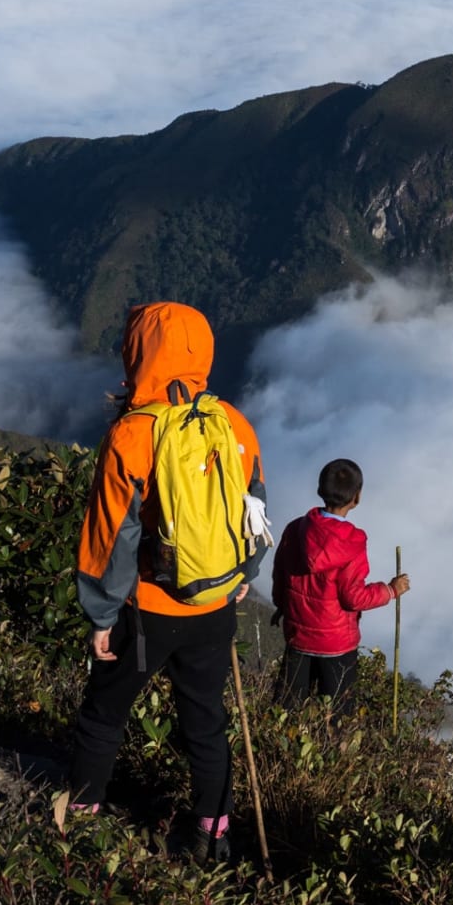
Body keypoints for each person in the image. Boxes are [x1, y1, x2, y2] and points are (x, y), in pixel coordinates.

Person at [60, 302, 271, 860]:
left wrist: (102, 616)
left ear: (137, 352)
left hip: (147, 609)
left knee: (105, 713)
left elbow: (111, 538)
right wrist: (242, 576)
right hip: (216, 605)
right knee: (206, 719)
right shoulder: (233, 423)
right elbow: (256, 508)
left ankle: (80, 822)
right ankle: (212, 834)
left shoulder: (134, 434)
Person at [270, 458, 410, 711]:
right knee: (338, 715)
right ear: (356, 497)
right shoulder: (352, 542)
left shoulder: (295, 529)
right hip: (337, 645)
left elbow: (280, 573)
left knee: (287, 710)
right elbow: (353, 598)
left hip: (298, 636)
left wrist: (282, 605)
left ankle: (276, 750)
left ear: (320, 490)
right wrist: (390, 590)